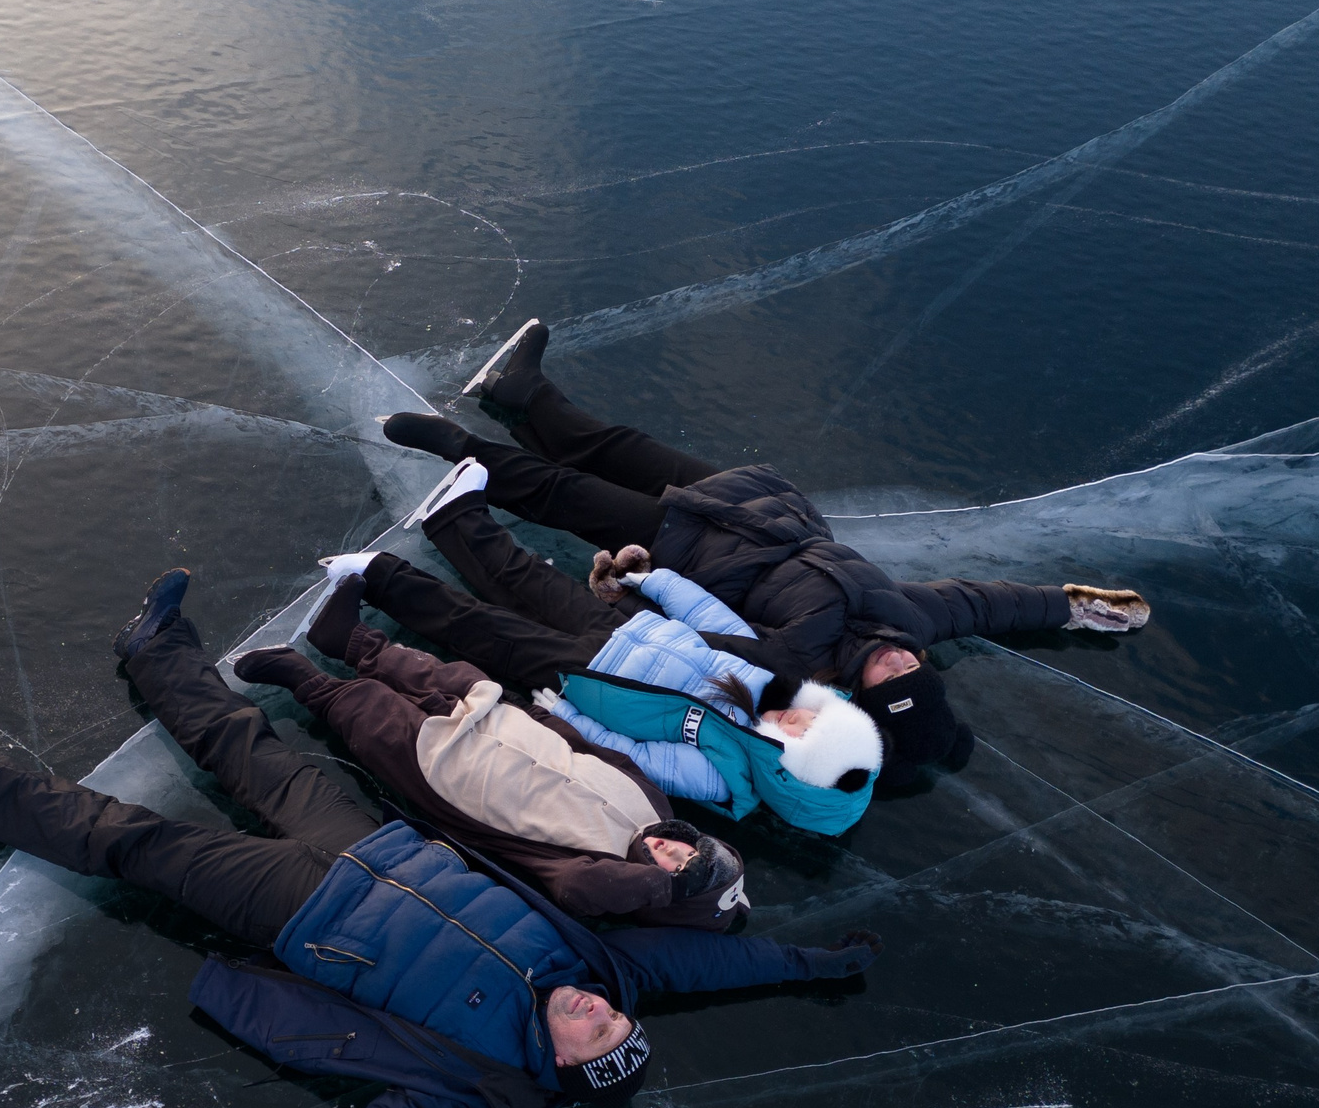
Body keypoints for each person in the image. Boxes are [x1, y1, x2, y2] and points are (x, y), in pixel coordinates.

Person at [0, 567, 882, 1108]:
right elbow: (704, 965)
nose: (596, 1009)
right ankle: (154, 646)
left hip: (293, 910)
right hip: (371, 841)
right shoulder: (593, 968)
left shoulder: (472, 1084)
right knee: (247, 743)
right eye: (615, 1019)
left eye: (594, 1034)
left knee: (130, 843)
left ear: (567, 1067)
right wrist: (811, 965)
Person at [379, 318, 1154, 774]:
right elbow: (986, 604)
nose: (901, 663)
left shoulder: (801, 663)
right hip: (756, 507)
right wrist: (1075, 606)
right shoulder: (912, 624)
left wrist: (637, 589)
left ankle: (453, 444)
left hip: (686, 546)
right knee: (623, 448)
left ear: (866, 697)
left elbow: (704, 644)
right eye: (912, 669)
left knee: (564, 496)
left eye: (890, 679)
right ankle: (526, 396)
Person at [321, 462, 884, 836]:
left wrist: (567, 715)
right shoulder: (776, 677)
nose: (801, 721)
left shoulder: (725, 775)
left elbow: (635, 757)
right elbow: (716, 619)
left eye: (805, 742)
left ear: (791, 771)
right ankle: (454, 516)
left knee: (476, 625)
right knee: (525, 580)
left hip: (586, 680)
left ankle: (379, 576)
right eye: (819, 721)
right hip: (627, 628)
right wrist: (653, 583)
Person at [233, 577, 749, 930]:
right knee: (433, 673)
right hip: (507, 724)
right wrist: (537, 715)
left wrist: (658, 888)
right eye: (686, 850)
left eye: (675, 868)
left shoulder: (603, 875)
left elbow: (579, 890)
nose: (668, 852)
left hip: (451, 776)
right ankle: (345, 637)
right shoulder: (658, 809)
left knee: (371, 716)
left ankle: (301, 677)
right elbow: (597, 755)